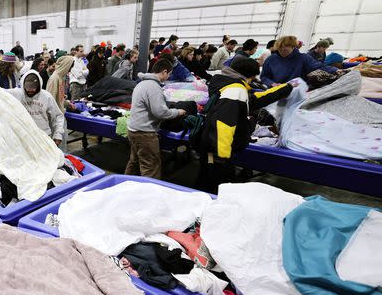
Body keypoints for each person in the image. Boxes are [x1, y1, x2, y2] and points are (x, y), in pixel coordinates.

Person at [196, 58, 293, 193]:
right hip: (217, 151)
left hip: (211, 145)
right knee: (217, 185)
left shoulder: (228, 83)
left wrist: (286, 88)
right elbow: (224, 124)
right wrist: (222, 157)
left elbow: (254, 100)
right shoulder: (236, 91)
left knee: (207, 178)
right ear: (249, 75)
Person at [124, 59, 187, 180]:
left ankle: (125, 185)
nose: (168, 77)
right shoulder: (153, 87)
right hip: (144, 133)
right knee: (150, 166)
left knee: (135, 162)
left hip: (133, 130)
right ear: (164, 72)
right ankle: (149, 195)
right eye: (169, 74)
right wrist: (177, 112)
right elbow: (160, 112)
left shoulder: (141, 84)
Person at [5, 70, 65, 145]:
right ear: (23, 85)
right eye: (28, 87)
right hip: (23, 138)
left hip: (43, 137)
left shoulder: (47, 97)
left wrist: (58, 134)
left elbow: (57, 116)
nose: (30, 90)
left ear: (39, 86)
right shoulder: (16, 93)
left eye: (33, 87)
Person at [261, 35, 340, 87]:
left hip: (296, 91)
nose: (282, 50)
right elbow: (264, 76)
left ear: (293, 47)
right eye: (280, 48)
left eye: (285, 48)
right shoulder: (271, 59)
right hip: (276, 91)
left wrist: (336, 70)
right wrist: (272, 83)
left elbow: (319, 67)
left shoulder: (303, 58)